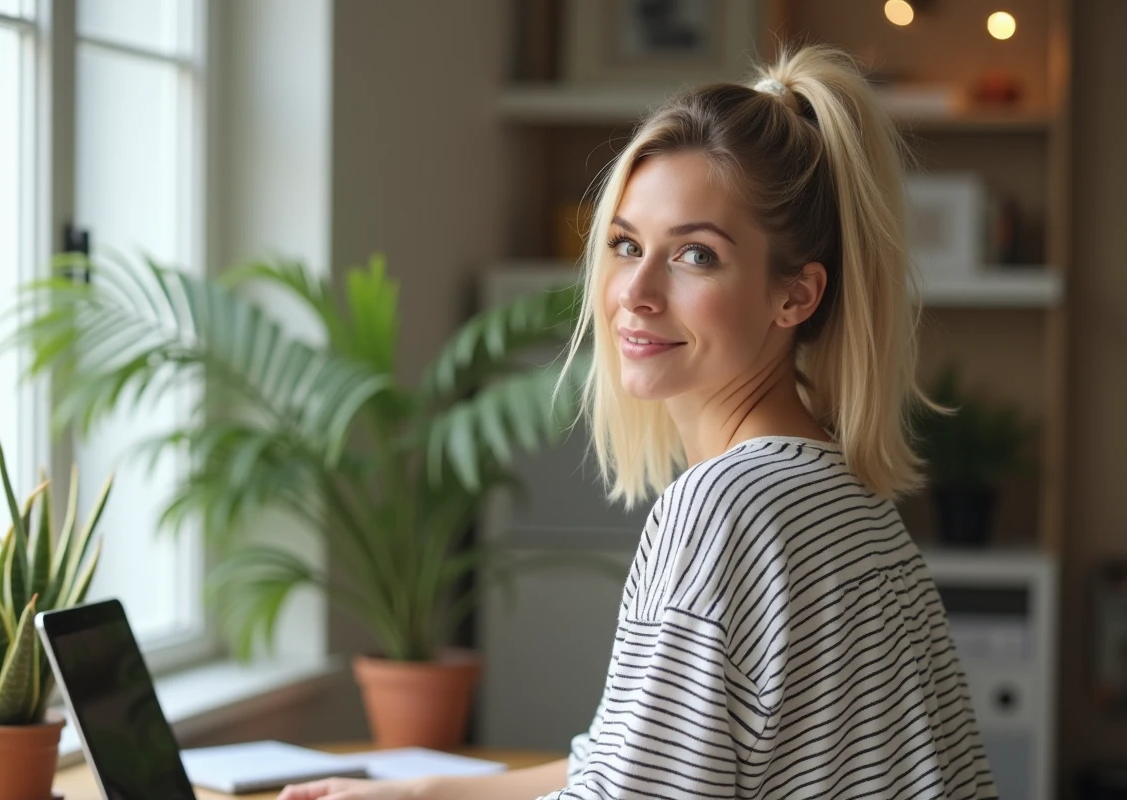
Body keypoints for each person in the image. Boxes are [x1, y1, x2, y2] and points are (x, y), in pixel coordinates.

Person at [278, 44, 997, 800]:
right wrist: (418, 794)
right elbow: (619, 765)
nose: (635, 292)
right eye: (625, 245)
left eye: (695, 255)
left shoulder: (724, 509)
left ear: (795, 296)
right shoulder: (841, 496)